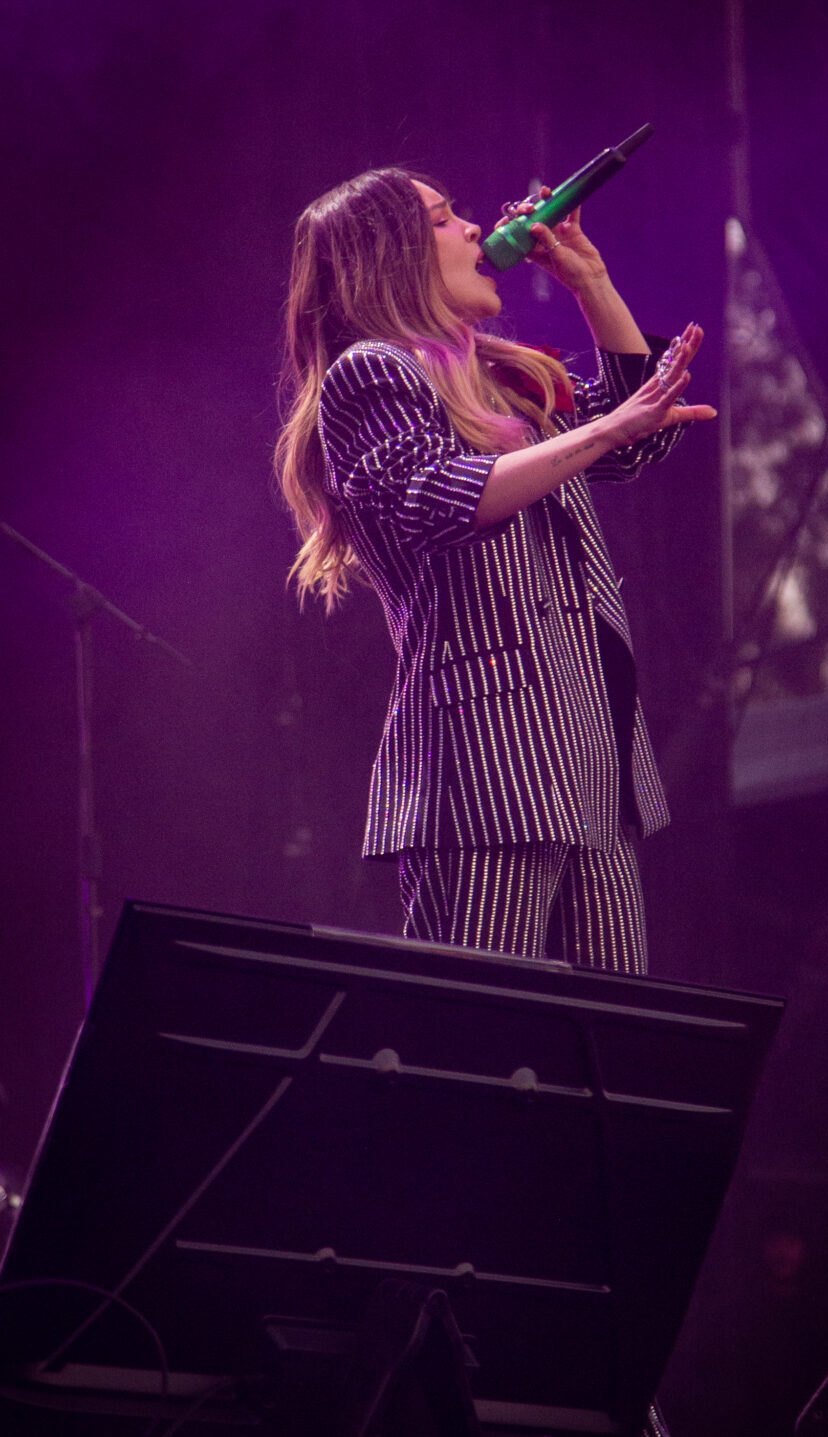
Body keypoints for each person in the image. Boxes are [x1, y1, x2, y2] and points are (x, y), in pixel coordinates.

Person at [275, 164, 713, 975]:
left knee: (605, 1052)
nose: (476, 229)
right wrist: (607, 431)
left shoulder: (505, 374)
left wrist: (590, 282)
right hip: (486, 772)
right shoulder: (373, 373)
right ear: (391, 255)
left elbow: (642, 434)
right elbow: (440, 498)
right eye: (446, 219)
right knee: (477, 1043)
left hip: (591, 760)